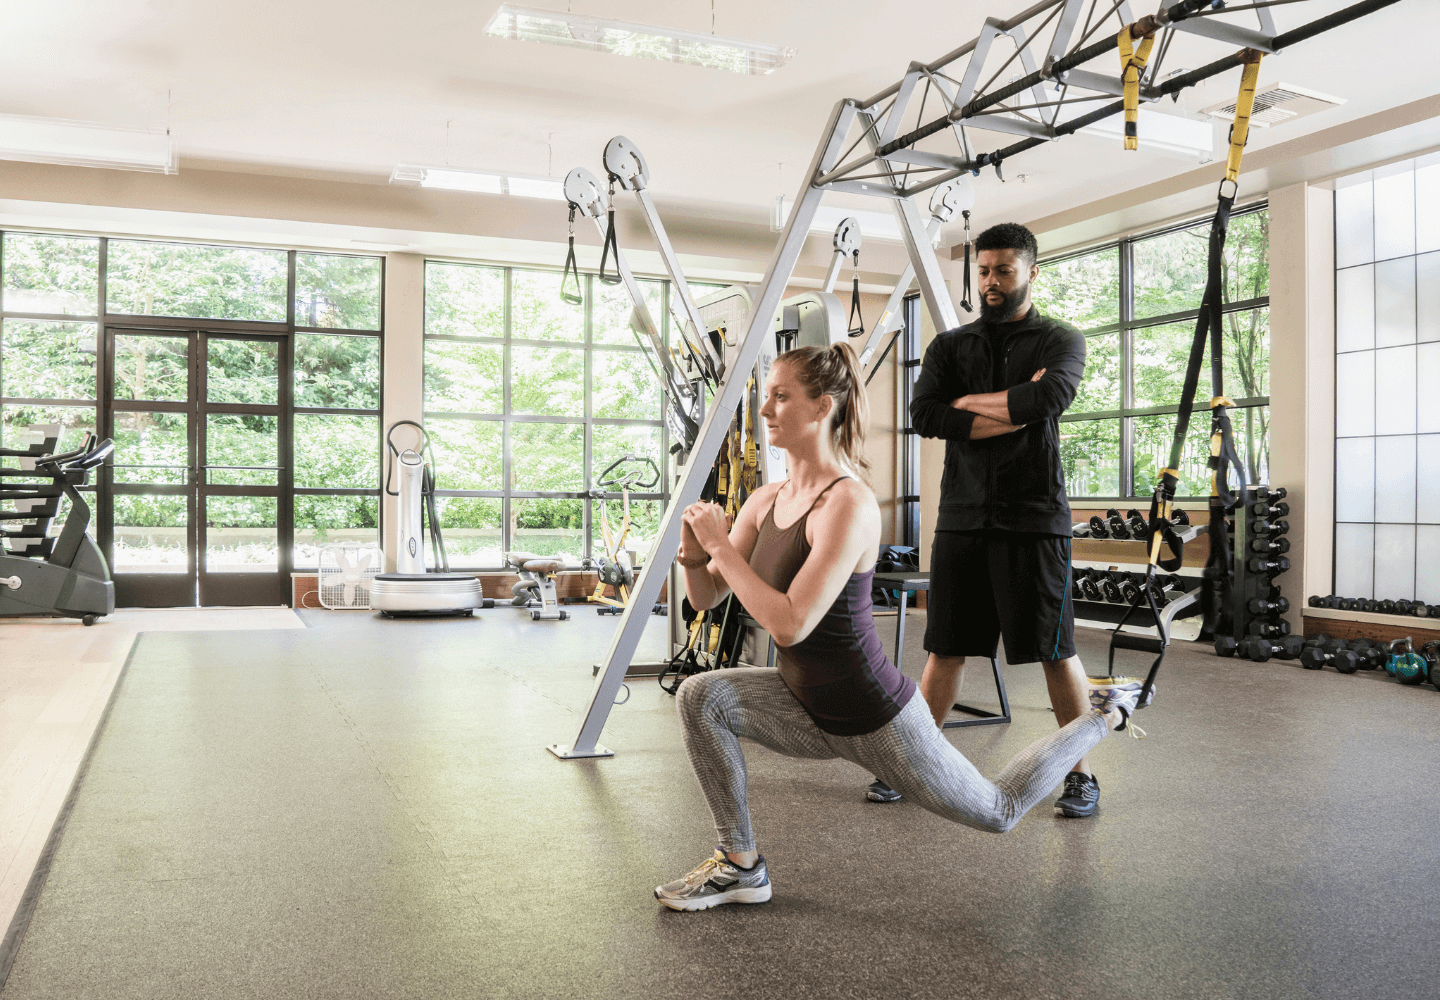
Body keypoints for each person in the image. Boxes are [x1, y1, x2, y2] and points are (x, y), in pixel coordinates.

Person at [657, 342, 1149, 912]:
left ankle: (1104, 714)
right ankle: (740, 865)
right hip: (805, 705)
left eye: (780, 396)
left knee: (999, 811)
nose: (765, 409)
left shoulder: (848, 504)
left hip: (877, 717)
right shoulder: (764, 501)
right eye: (765, 396)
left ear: (822, 408)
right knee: (701, 697)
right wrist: (696, 551)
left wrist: (720, 544)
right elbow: (707, 596)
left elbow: (789, 625)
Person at [869, 221, 1102, 817]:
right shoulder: (951, 347)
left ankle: (1079, 773)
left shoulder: (1061, 341)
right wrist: (1004, 407)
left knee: (1056, 650)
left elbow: (1046, 401)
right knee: (945, 649)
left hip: (1035, 519)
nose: (991, 281)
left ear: (1031, 271)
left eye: (1003, 269)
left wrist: (968, 405)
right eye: (983, 270)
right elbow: (926, 415)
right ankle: (909, 762)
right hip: (963, 517)